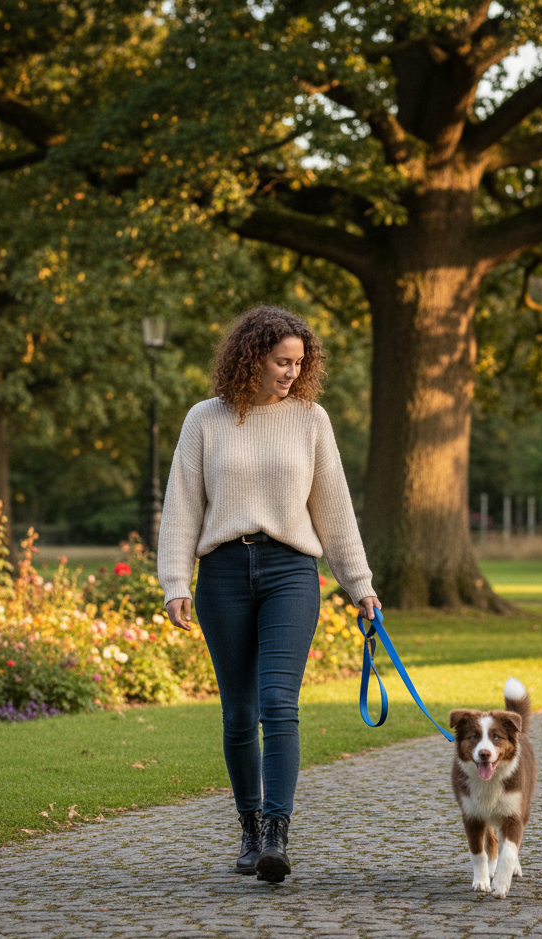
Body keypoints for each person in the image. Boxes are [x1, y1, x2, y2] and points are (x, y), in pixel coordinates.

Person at [156, 304, 379, 884]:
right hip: (224, 574)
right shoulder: (205, 419)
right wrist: (175, 582)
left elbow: (334, 510)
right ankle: (250, 831)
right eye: (282, 361)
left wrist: (361, 587)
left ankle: (278, 834)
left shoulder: (311, 419)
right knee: (238, 713)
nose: (290, 372)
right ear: (252, 356)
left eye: (299, 363)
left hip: (290, 572)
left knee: (279, 703)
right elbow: (182, 504)